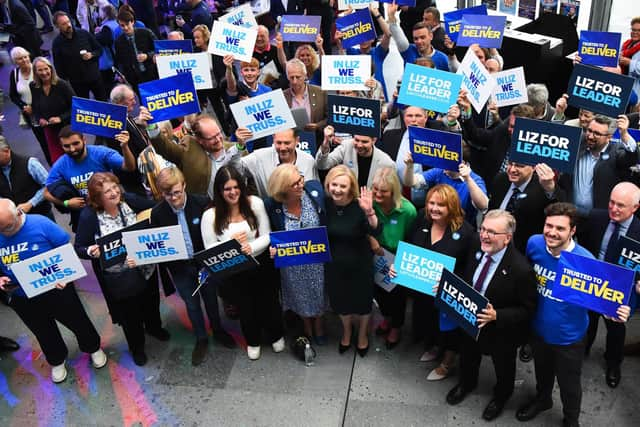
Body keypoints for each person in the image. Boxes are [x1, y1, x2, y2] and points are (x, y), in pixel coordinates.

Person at [518, 202, 631, 427]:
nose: (552, 232)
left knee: (570, 385)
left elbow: (603, 300)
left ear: (573, 231)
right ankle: (543, 400)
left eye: (560, 228)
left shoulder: (586, 261)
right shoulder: (534, 244)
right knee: (542, 374)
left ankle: (571, 420)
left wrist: (615, 312)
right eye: (548, 225)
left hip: (569, 339)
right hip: (538, 332)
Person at [0, 198, 107, 384]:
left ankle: (92, 347)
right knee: (42, 330)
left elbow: (66, 249)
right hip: (21, 294)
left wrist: (65, 275)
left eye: (7, 227)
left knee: (77, 320)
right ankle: (56, 359)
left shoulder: (41, 223)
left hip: (56, 288)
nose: (4, 232)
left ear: (18, 213)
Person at [446, 210, 537, 422]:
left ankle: (501, 397)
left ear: (507, 237)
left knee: (503, 368)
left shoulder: (521, 270)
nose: (485, 236)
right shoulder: (477, 247)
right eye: (483, 229)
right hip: (469, 320)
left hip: (501, 332)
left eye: (492, 232)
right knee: (468, 356)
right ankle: (466, 384)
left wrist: (498, 315)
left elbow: (528, 309)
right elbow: (464, 274)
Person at [74, 172, 166, 366]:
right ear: (97, 197)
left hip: (145, 267)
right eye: (108, 191)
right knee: (130, 315)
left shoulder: (128, 201)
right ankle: (137, 347)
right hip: (120, 277)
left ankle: (154, 327)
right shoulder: (90, 216)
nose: (115, 192)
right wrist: (91, 250)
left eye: (115, 187)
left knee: (151, 301)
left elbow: (155, 208)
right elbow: (79, 247)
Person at [150, 167, 236, 366]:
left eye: (177, 192)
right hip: (179, 268)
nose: (172, 198)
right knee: (191, 304)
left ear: (184, 185)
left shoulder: (202, 203)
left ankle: (218, 330)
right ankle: (201, 338)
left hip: (204, 264)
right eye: (167, 194)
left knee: (211, 298)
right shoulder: (158, 213)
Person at [201, 165, 285, 360]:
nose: (233, 192)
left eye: (236, 187)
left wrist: (251, 248)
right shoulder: (210, 216)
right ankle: (253, 340)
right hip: (235, 268)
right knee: (246, 307)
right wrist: (233, 246)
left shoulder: (255, 203)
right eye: (227, 189)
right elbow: (211, 250)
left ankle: (276, 335)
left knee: (270, 302)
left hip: (261, 262)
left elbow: (267, 235)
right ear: (219, 191)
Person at [578, 182, 640, 388]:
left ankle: (613, 363)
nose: (613, 208)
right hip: (592, 282)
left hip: (620, 290)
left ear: (635, 208)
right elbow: (582, 247)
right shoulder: (596, 218)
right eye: (611, 202)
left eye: (620, 205)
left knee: (615, 328)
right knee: (587, 321)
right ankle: (582, 351)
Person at [264, 164, 327, 343]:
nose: (301, 184)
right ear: (283, 188)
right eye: (294, 184)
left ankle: (320, 325)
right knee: (298, 295)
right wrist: (272, 247)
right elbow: (269, 232)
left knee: (319, 293)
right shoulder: (271, 205)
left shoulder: (314, 190)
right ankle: (306, 325)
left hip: (317, 261)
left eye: (300, 179)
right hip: (292, 264)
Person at [325, 165, 381, 357]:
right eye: (334, 185)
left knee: (362, 302)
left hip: (360, 264)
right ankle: (347, 331)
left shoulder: (361, 205)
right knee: (341, 302)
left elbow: (375, 230)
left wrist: (370, 212)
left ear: (351, 187)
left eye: (342, 186)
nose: (337, 190)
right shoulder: (325, 204)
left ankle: (363, 333)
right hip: (334, 265)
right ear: (328, 184)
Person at [44, 126, 136, 231]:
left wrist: (125, 147)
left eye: (75, 144)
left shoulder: (101, 153)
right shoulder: (61, 164)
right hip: (88, 213)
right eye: (66, 146)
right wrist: (66, 203)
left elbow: (129, 167)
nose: (72, 149)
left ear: (84, 140)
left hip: (112, 205)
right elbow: (46, 192)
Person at [369, 167, 417, 349]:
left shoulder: (408, 211)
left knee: (397, 296)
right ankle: (386, 319)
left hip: (399, 255)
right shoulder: (370, 204)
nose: (378, 194)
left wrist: (401, 261)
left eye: (383, 191)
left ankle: (396, 327)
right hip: (376, 252)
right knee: (379, 292)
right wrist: (372, 240)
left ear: (394, 191)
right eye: (375, 189)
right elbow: (363, 227)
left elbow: (412, 239)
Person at [149, 113, 246, 198]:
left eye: (218, 134)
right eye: (212, 138)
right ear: (199, 139)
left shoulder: (236, 149)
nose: (218, 139)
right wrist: (151, 126)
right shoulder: (188, 152)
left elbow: (251, 178)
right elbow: (165, 148)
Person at [558, 114, 638, 216]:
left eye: (597, 134)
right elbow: (556, 137)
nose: (590, 136)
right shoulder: (577, 143)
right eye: (589, 131)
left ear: (609, 137)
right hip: (570, 213)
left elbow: (631, 156)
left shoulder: (616, 152)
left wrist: (624, 134)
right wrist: (560, 113)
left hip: (598, 218)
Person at [489, 162, 565, 253]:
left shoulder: (543, 187)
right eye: (510, 164)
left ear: (533, 168)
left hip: (521, 250)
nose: (512, 169)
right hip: (492, 241)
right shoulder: (501, 179)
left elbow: (560, 210)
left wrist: (550, 189)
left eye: (519, 166)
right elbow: (491, 210)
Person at [403, 148, 488, 226]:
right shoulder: (439, 171)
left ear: (461, 162)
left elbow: (483, 206)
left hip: (461, 228)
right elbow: (410, 183)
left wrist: (468, 179)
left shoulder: (475, 180)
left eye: (448, 161)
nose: (443, 164)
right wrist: (409, 166)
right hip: (437, 223)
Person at [236, 128, 317, 198]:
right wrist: (239, 146)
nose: (282, 148)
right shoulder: (259, 157)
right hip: (271, 212)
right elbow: (235, 169)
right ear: (273, 139)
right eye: (278, 143)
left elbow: (315, 190)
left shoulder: (308, 160)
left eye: (287, 143)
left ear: (297, 141)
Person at [29, 56, 76, 164]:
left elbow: (76, 107)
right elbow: (35, 106)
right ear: (35, 72)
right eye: (40, 70)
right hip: (50, 130)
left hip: (67, 128)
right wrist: (40, 118)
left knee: (73, 157)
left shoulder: (62, 85)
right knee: (57, 160)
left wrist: (60, 118)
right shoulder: (33, 86)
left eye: (46, 69)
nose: (44, 72)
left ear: (51, 69)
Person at [51, 11, 106, 101]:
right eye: (64, 24)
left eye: (68, 22)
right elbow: (59, 67)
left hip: (94, 77)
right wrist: (66, 83)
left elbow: (99, 50)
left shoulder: (83, 34)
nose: (68, 25)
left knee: (103, 102)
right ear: (57, 27)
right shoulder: (57, 44)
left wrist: (91, 55)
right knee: (84, 108)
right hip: (77, 83)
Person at [8, 46, 49, 165]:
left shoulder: (37, 70)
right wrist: (23, 106)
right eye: (20, 58)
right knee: (43, 141)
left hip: (46, 110)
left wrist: (35, 106)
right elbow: (13, 95)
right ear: (15, 61)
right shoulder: (14, 74)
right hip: (31, 115)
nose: (25, 60)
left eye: (26, 57)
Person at [316, 128, 395, 190]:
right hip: (348, 199)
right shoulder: (347, 146)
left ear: (374, 140)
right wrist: (326, 143)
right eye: (356, 140)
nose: (359, 145)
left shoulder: (386, 162)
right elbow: (322, 165)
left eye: (364, 142)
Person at [192, 24, 232, 135]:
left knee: (229, 106)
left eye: (198, 37)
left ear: (205, 37)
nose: (195, 40)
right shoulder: (195, 53)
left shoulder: (216, 48)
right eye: (194, 37)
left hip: (222, 82)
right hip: (208, 87)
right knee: (218, 110)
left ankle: (234, 127)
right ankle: (227, 132)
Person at [0, 136, 53, 220]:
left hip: (41, 215)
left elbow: (49, 185)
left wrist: (31, 203)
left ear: (6, 151)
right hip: (15, 221)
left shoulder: (30, 163)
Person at [387, 2, 449, 71]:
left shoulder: (442, 59)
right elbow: (398, 35)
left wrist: (452, 56)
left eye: (423, 37)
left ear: (431, 36)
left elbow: (454, 76)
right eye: (416, 38)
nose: (419, 41)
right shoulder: (409, 51)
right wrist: (391, 16)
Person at [114, 9, 157, 94]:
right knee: (142, 102)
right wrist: (121, 74)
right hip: (134, 79)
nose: (125, 28)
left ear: (132, 22)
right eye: (122, 26)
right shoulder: (119, 42)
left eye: (127, 24)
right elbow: (119, 61)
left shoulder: (146, 33)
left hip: (151, 74)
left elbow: (159, 49)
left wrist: (147, 56)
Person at [282, 58, 327, 138]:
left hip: (316, 138)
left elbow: (330, 117)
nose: (294, 81)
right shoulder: (282, 96)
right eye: (291, 77)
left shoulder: (320, 92)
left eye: (298, 77)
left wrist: (317, 125)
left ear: (305, 76)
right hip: (291, 139)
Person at [619, 17, 640, 103]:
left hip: (636, 90)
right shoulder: (626, 44)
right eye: (633, 30)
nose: (635, 33)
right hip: (622, 87)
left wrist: (630, 63)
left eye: (639, 30)